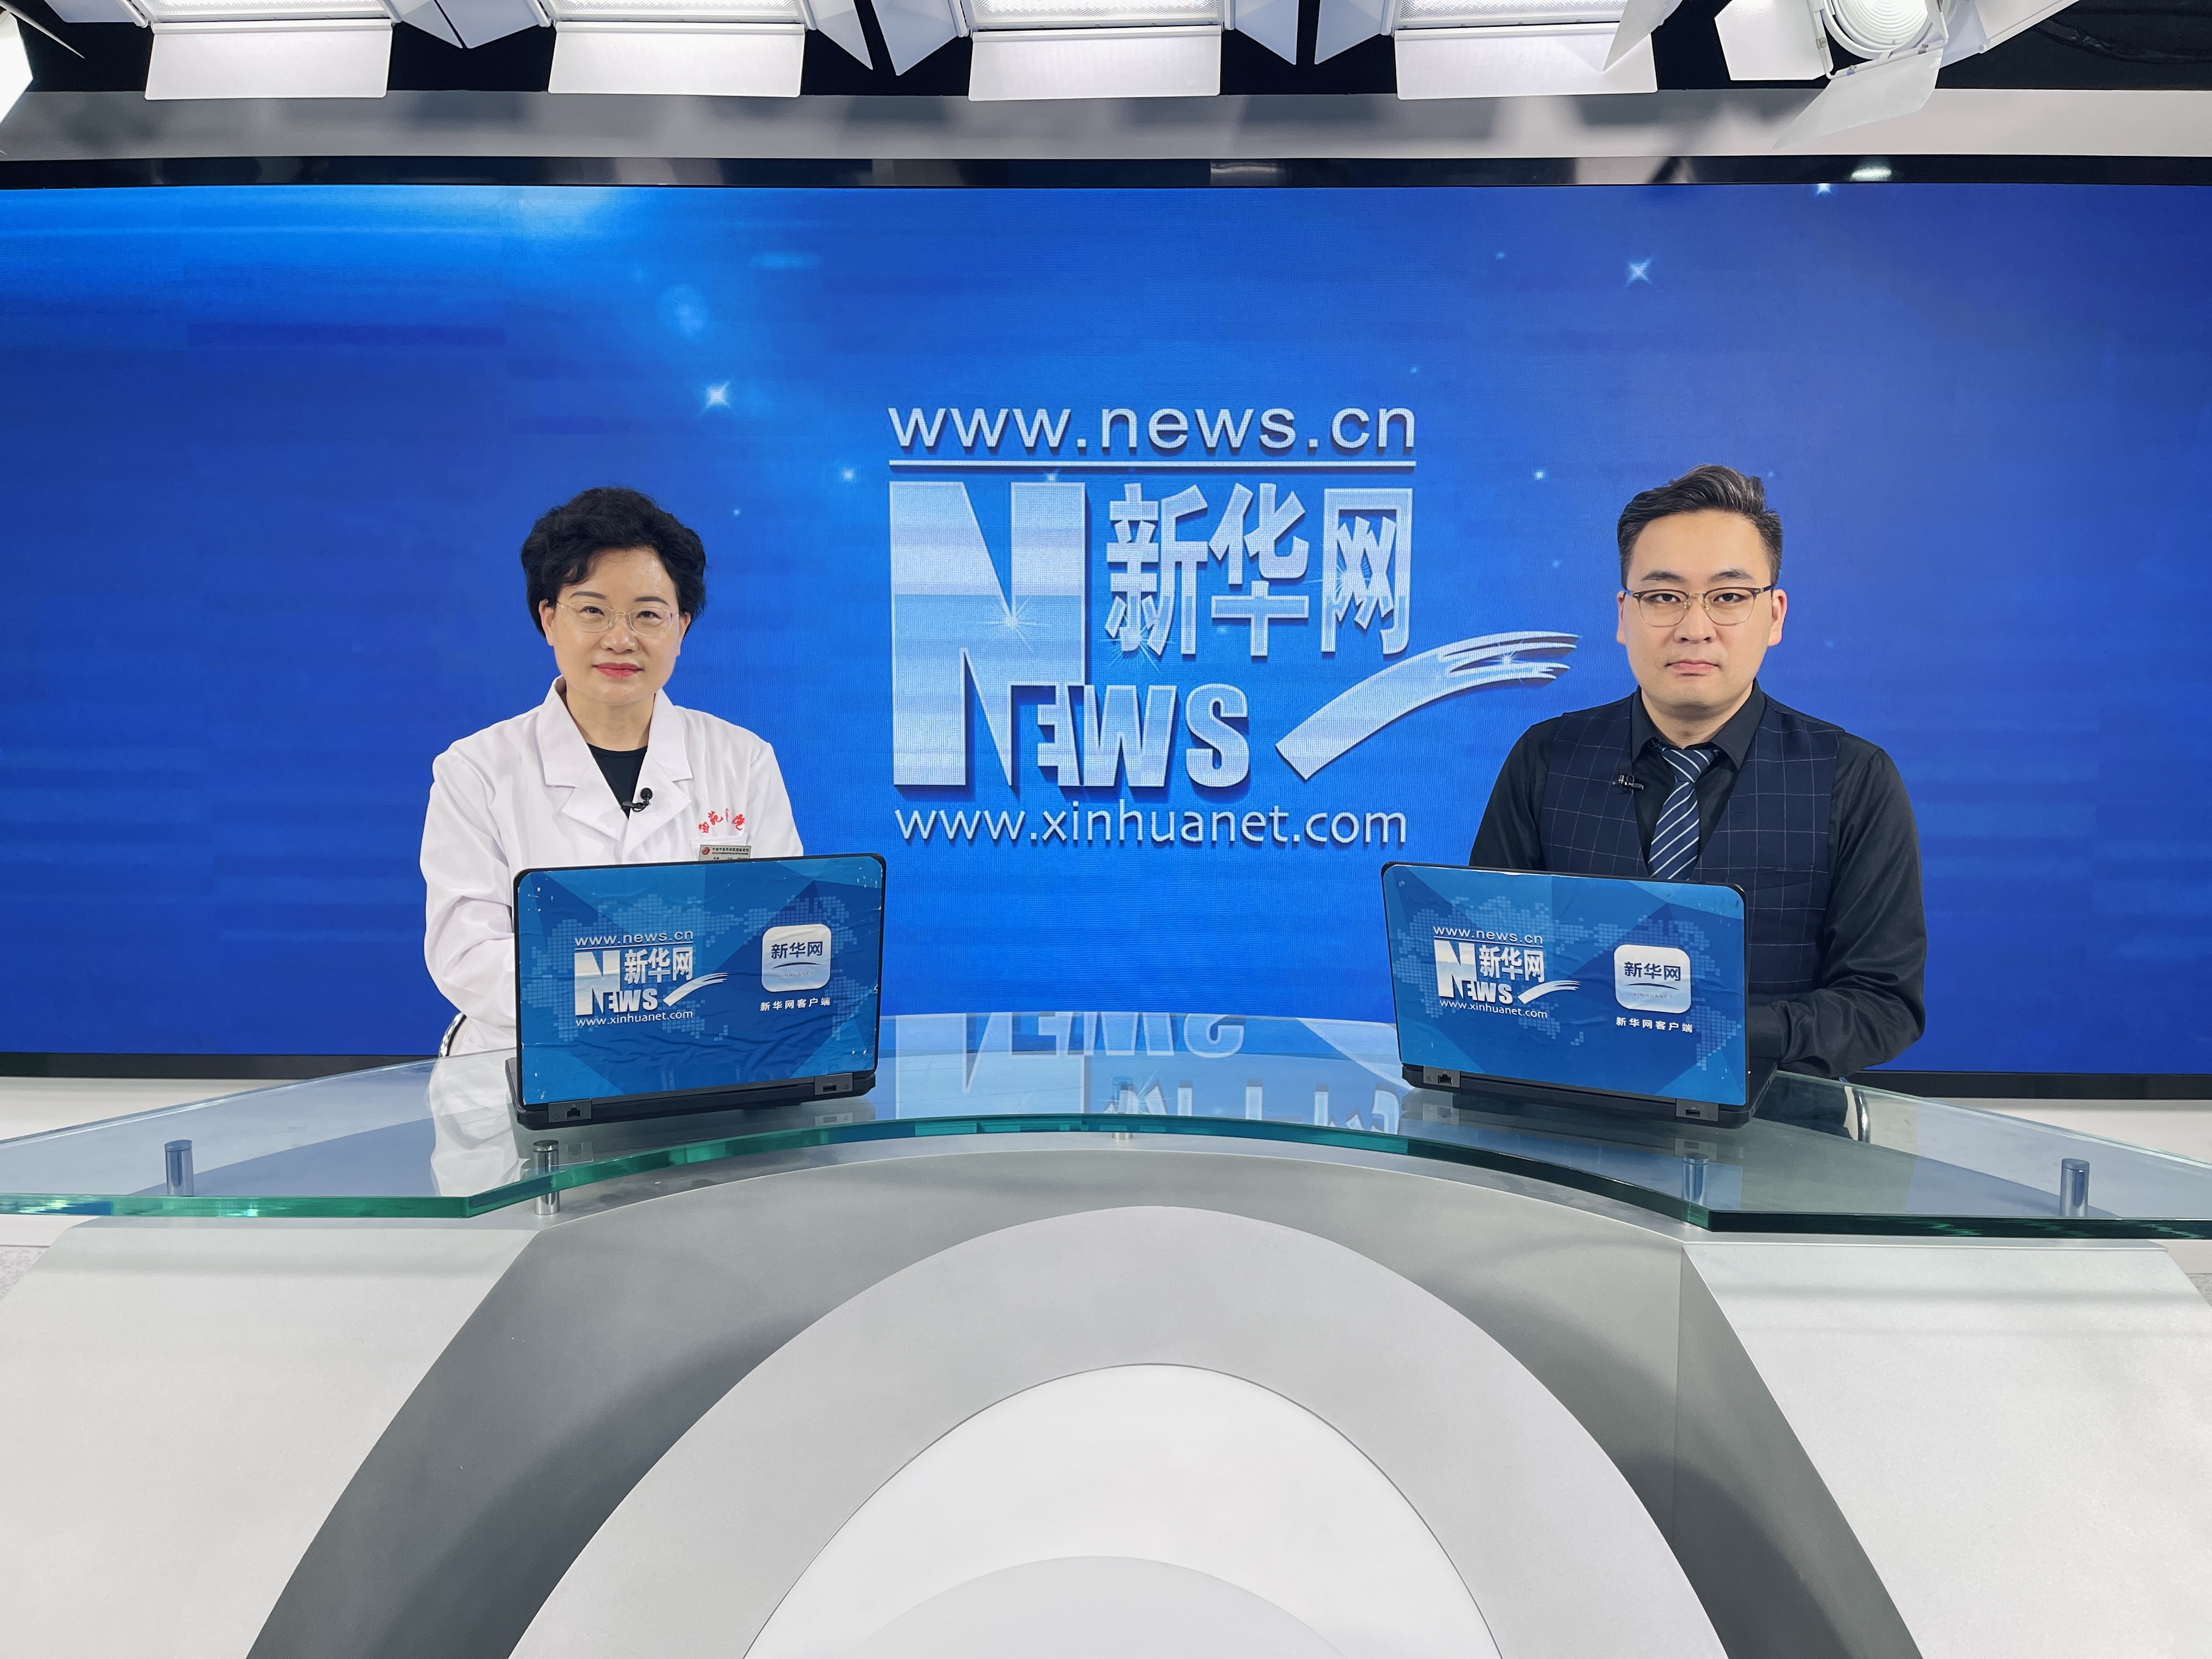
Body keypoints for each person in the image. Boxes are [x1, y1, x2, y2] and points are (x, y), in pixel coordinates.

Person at [1468, 464, 1924, 1082]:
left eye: (1728, 597)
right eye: (1664, 598)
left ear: (1775, 615)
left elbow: (1883, 1004)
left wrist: (1719, 1032)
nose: (1694, 628)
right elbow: (1491, 963)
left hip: (1775, 1125)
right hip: (1569, 1116)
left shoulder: (1854, 778)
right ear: (1624, 615)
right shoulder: (1547, 757)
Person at [421, 486, 801, 1056]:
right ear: (550, 619)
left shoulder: (742, 760)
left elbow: (778, 932)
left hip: (699, 1054)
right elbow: (468, 955)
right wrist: (629, 998)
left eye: (648, 615)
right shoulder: (476, 770)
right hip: (528, 1059)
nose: (620, 639)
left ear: (681, 628)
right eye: (592, 610)